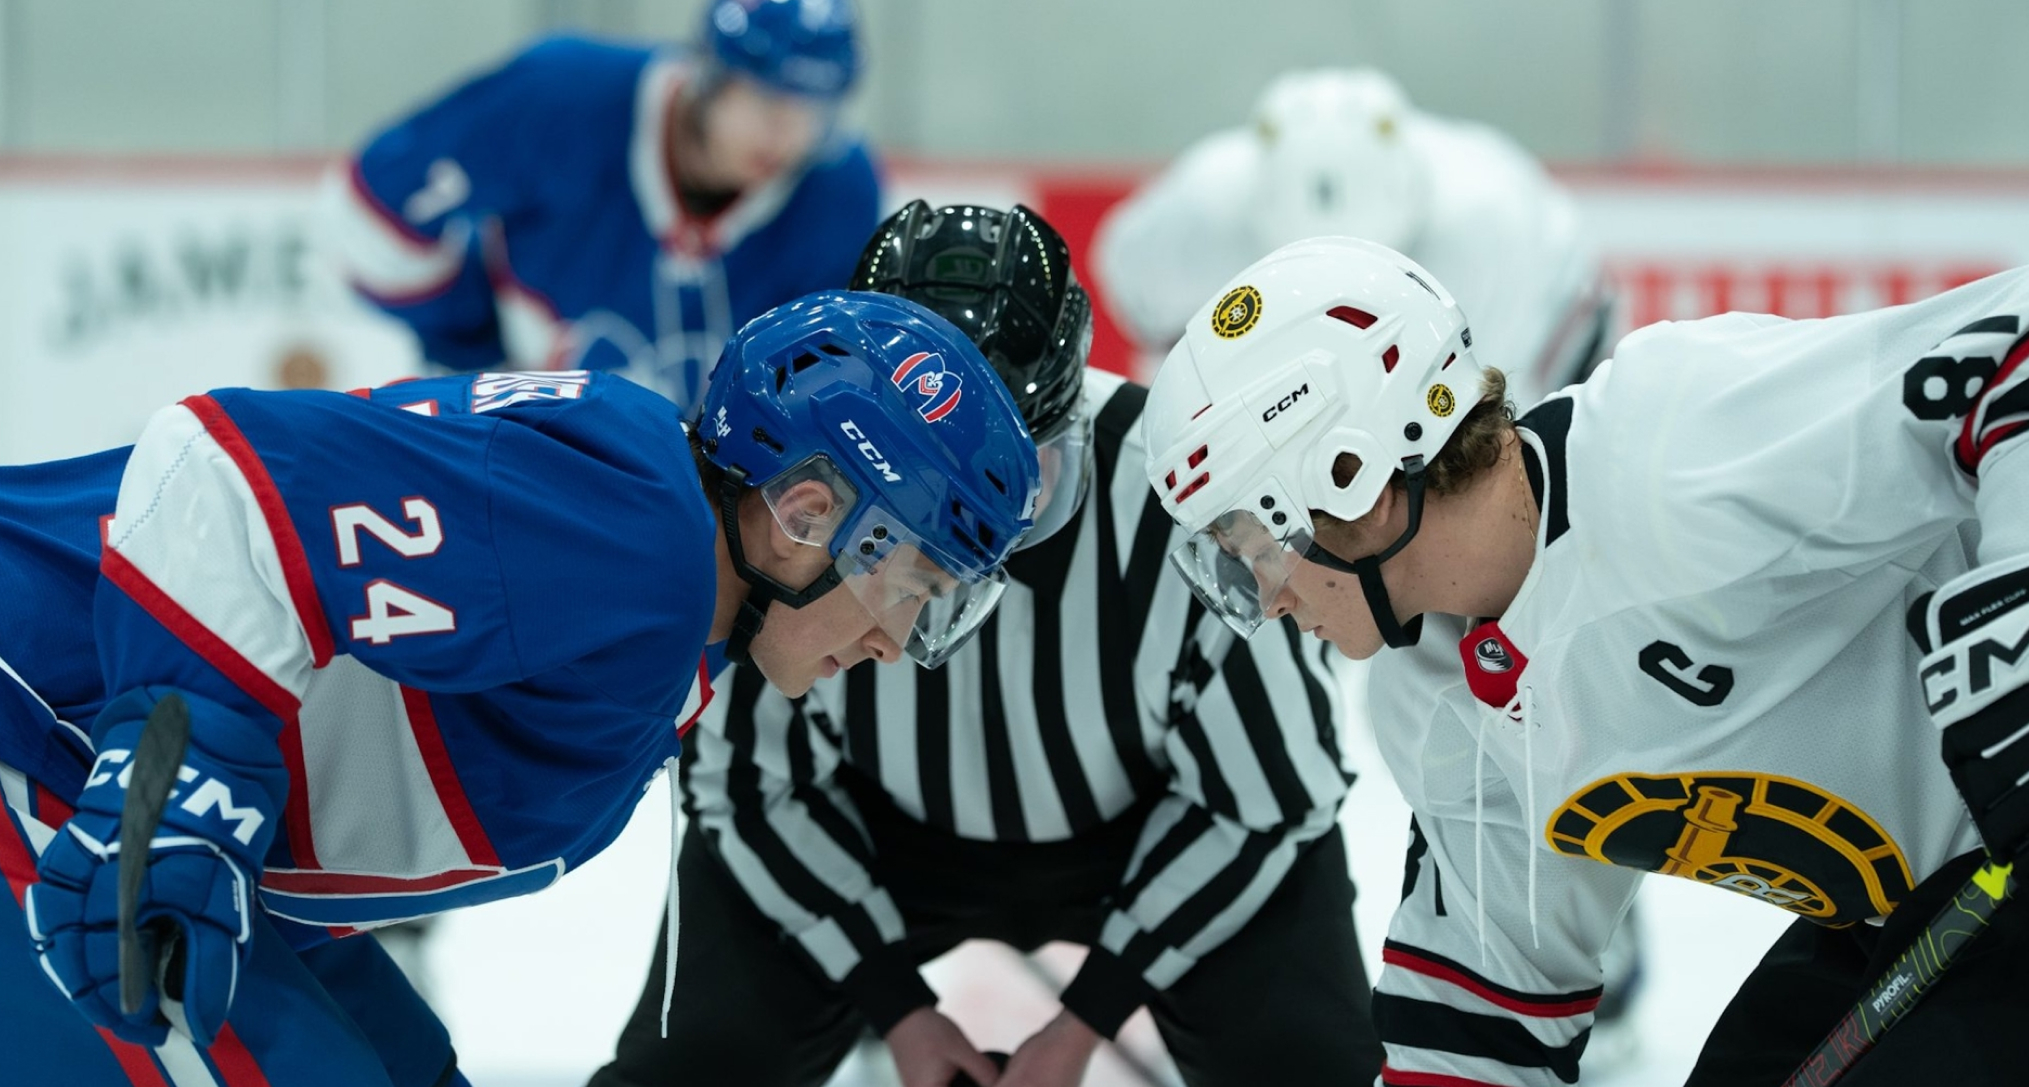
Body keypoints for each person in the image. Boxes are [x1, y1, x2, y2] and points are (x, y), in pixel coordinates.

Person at [0, 291, 1040, 1085]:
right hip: (38, 735)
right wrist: (171, 788)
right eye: (907, 583)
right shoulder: (638, 538)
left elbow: (332, 757)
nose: (896, 642)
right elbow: (222, 478)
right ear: (804, 512)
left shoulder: (675, 612)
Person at [1138, 236, 2029, 1085]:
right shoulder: (1436, 703)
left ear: (1351, 478)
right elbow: (1478, 1019)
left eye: (1252, 542)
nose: (1268, 596)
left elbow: (2010, 349)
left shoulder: (1673, 443)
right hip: (1924, 909)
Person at [589, 203, 1380, 1087]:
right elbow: (746, 781)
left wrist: (1085, 1021)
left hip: (1152, 830)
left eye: (1017, 469)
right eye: (932, 478)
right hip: (874, 832)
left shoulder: (1178, 484)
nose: (981, 531)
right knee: (693, 1067)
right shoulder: (791, 505)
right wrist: (898, 1005)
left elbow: (1268, 791)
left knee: (1308, 1066)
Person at [325, 0, 878, 410]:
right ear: (708, 74)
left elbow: (825, 383)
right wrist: (473, 351)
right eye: (763, 97)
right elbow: (379, 209)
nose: (787, 133)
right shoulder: (562, 97)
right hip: (520, 443)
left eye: (813, 109)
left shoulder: (839, 193)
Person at [1095, 68, 1609, 408]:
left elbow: (1486, 412)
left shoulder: (1495, 227)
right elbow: (1144, 320)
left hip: (1565, 324)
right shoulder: (1198, 212)